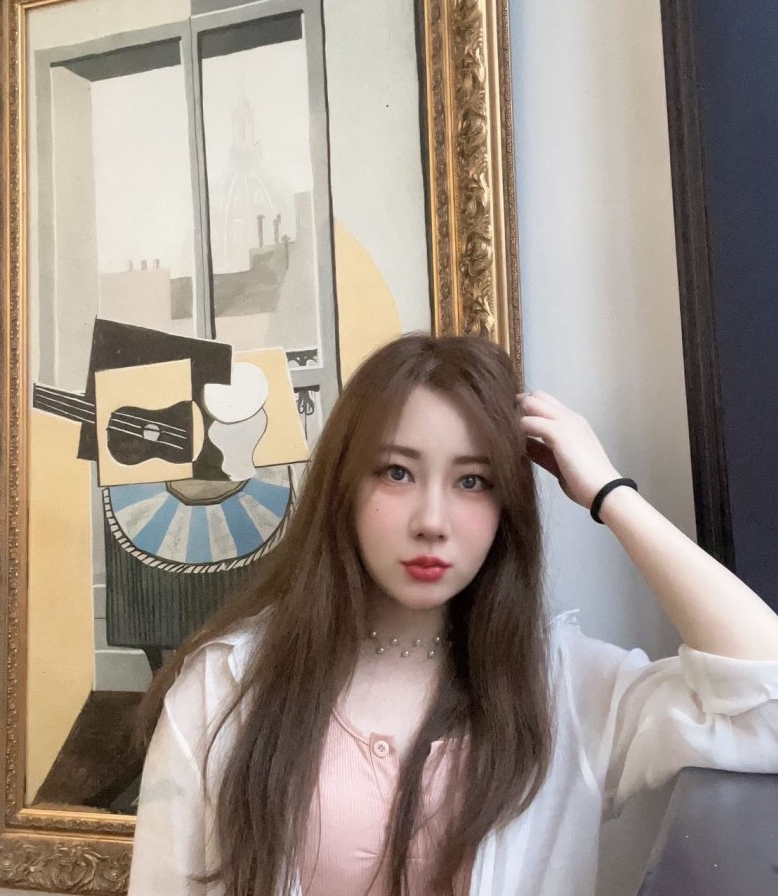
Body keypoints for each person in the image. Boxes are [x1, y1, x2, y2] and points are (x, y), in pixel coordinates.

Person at [128, 333, 778, 896]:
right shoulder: (224, 688)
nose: (432, 521)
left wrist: (609, 492)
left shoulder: (565, 690)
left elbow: (767, 706)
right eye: (397, 473)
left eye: (472, 481)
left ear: (505, 507)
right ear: (343, 486)